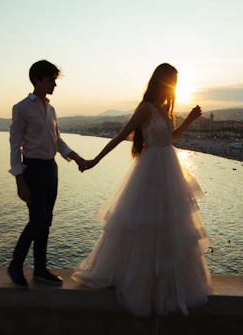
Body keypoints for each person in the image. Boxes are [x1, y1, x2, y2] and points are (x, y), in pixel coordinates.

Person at [72, 63, 212, 317]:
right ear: (162, 82)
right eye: (172, 82)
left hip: (169, 171)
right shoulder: (146, 108)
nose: (174, 87)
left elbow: (170, 139)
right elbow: (120, 135)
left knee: (170, 227)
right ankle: (141, 285)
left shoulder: (164, 109)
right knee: (146, 226)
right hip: (151, 174)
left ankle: (165, 287)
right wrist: (95, 160)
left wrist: (190, 120)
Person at [8, 60, 86, 289]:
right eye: (51, 79)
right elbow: (14, 146)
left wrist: (77, 158)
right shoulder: (22, 108)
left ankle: (40, 268)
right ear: (38, 80)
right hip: (32, 169)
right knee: (37, 220)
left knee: (46, 221)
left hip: (51, 169)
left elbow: (57, 140)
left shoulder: (50, 109)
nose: (54, 84)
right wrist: (19, 180)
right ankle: (15, 264)